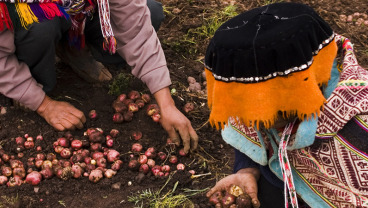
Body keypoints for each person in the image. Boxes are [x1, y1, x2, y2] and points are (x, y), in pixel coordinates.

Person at [204, 2, 368, 208]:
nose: (257, 123)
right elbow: (251, 135)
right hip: (281, 179)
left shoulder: (360, 124)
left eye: (262, 112)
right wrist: (247, 170)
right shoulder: (253, 92)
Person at [0, 0, 198, 153]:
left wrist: (166, 104)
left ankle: (72, 45)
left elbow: (137, 30)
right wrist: (43, 104)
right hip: (21, 21)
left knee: (152, 12)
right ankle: (29, 83)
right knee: (40, 25)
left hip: (78, 13)